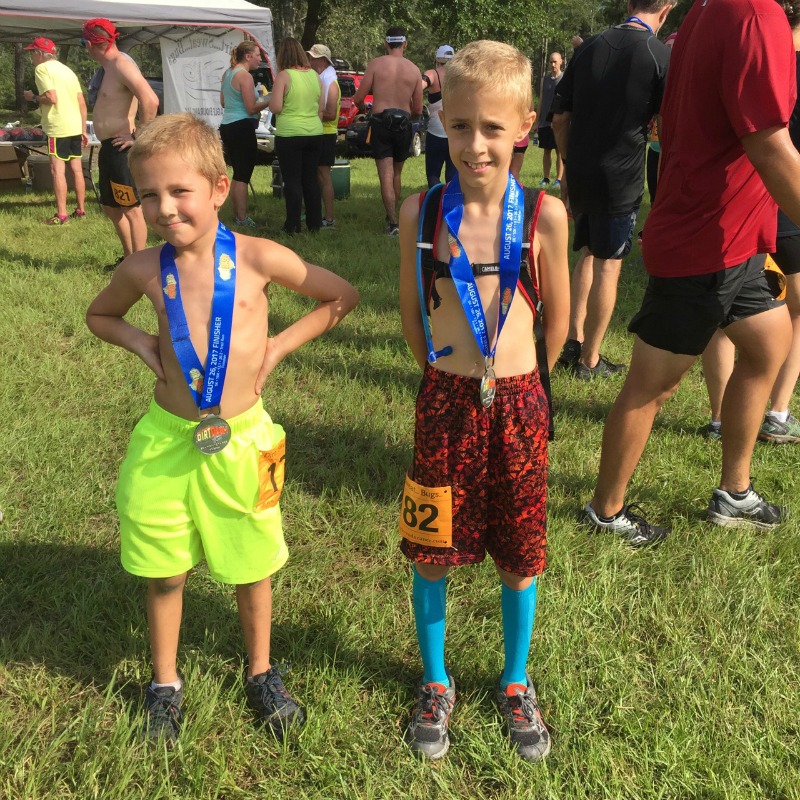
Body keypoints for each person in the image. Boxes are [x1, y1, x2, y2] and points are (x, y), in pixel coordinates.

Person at [85, 112, 359, 743]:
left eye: (178, 191)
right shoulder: (144, 269)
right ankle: (163, 682)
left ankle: (261, 670)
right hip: (166, 440)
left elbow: (339, 295)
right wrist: (141, 345)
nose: (163, 208)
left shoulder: (260, 258)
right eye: (149, 194)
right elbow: (100, 315)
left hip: (243, 438)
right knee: (163, 568)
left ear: (217, 186)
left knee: (251, 562)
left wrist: (277, 348)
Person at [397, 40, 570, 761]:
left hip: (522, 405)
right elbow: (413, 316)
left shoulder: (544, 216)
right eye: (460, 124)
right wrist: (449, 377)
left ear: (524, 125)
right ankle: (436, 681)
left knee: (520, 554)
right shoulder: (422, 210)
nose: (475, 144)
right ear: (440, 117)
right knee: (431, 547)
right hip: (444, 401)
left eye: (492, 128)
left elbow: (558, 319)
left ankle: (514, 680)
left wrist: (523, 379)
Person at [582, 0, 800, 546]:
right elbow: (769, 143)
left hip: (741, 238)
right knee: (652, 385)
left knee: (768, 347)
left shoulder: (711, 8)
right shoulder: (754, 14)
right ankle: (604, 512)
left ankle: (734, 491)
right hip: (705, 242)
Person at [551, 2, 672, 379]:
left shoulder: (589, 46)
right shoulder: (660, 55)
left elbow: (559, 117)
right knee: (610, 263)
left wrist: (567, 165)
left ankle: (573, 340)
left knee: (587, 251)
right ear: (667, 9)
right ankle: (589, 359)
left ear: (628, 4)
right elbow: (667, 128)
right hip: (622, 174)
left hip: (582, 168)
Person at [701, 2, 800, 446]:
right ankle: (777, 412)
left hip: (740, 205)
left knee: (726, 315)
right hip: (785, 197)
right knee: (795, 314)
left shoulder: (738, 41)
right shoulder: (768, 45)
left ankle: (722, 415)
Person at [81, 18, 159, 270]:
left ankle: (141, 265)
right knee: (111, 207)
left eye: (85, 43)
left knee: (131, 208)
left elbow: (150, 100)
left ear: (92, 44)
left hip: (121, 148)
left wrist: (138, 138)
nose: (85, 48)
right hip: (109, 147)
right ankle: (129, 259)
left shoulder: (122, 64)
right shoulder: (108, 68)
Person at [353, 26, 424, 235]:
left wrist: (364, 108)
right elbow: (418, 109)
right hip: (402, 123)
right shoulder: (413, 69)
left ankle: (392, 223)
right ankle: (393, 216)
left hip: (380, 121)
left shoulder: (376, 65)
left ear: (386, 43)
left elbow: (358, 98)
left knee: (385, 173)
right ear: (405, 44)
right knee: (397, 173)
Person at [22, 37, 89, 225]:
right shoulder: (67, 70)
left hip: (58, 126)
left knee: (57, 170)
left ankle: (61, 215)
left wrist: (33, 97)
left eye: (32, 52)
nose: (31, 57)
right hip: (75, 125)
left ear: (40, 53)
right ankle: (81, 210)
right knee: (77, 169)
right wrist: (83, 129)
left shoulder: (42, 69)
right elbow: (81, 102)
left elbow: (51, 98)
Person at [269, 38, 325, 235]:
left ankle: (292, 225)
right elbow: (321, 108)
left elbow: (275, 107)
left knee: (292, 180)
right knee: (310, 179)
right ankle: (315, 224)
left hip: (290, 133)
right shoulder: (315, 76)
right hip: (314, 132)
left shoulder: (284, 76)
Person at [219, 40, 271, 228]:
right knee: (243, 174)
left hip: (227, 125)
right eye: (258, 55)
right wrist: (270, 100)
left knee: (238, 173)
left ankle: (237, 215)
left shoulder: (227, 73)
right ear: (248, 56)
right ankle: (242, 218)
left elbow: (224, 102)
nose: (260, 59)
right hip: (241, 126)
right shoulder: (245, 76)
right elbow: (251, 108)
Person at [307, 43, 340, 228]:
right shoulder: (321, 78)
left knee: (324, 175)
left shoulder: (330, 82)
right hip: (317, 131)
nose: (310, 61)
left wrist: (310, 114)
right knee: (316, 175)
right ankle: (316, 213)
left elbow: (331, 113)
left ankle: (329, 218)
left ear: (323, 60)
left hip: (326, 133)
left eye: (313, 58)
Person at [421, 45, 456, 188]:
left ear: (437, 59)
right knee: (453, 176)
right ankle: (450, 205)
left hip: (435, 131)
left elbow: (417, 87)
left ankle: (435, 204)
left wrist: (416, 108)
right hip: (455, 132)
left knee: (433, 174)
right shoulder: (461, 76)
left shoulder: (432, 74)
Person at [534, 52, 564, 188]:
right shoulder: (544, 80)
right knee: (547, 150)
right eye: (551, 62)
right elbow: (541, 100)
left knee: (559, 151)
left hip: (558, 121)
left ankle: (558, 179)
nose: (553, 65)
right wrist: (537, 121)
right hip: (545, 122)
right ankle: (545, 178)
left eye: (555, 62)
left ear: (561, 62)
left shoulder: (564, 79)